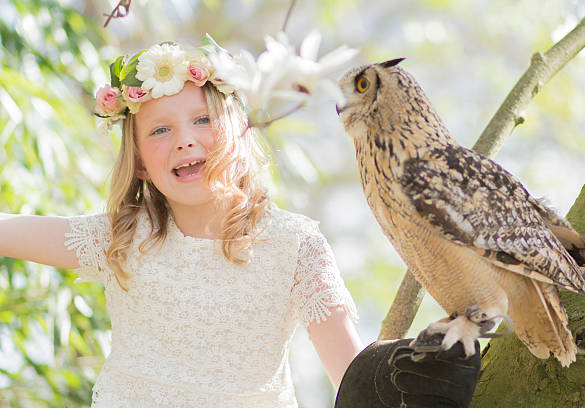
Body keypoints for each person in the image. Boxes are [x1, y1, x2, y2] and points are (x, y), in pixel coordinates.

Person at [0, 39, 480, 407]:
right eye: (161, 130)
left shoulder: (295, 245)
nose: (185, 141)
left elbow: (350, 377)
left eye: (202, 121)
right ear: (141, 162)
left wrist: (398, 376)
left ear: (239, 132)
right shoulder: (122, 236)